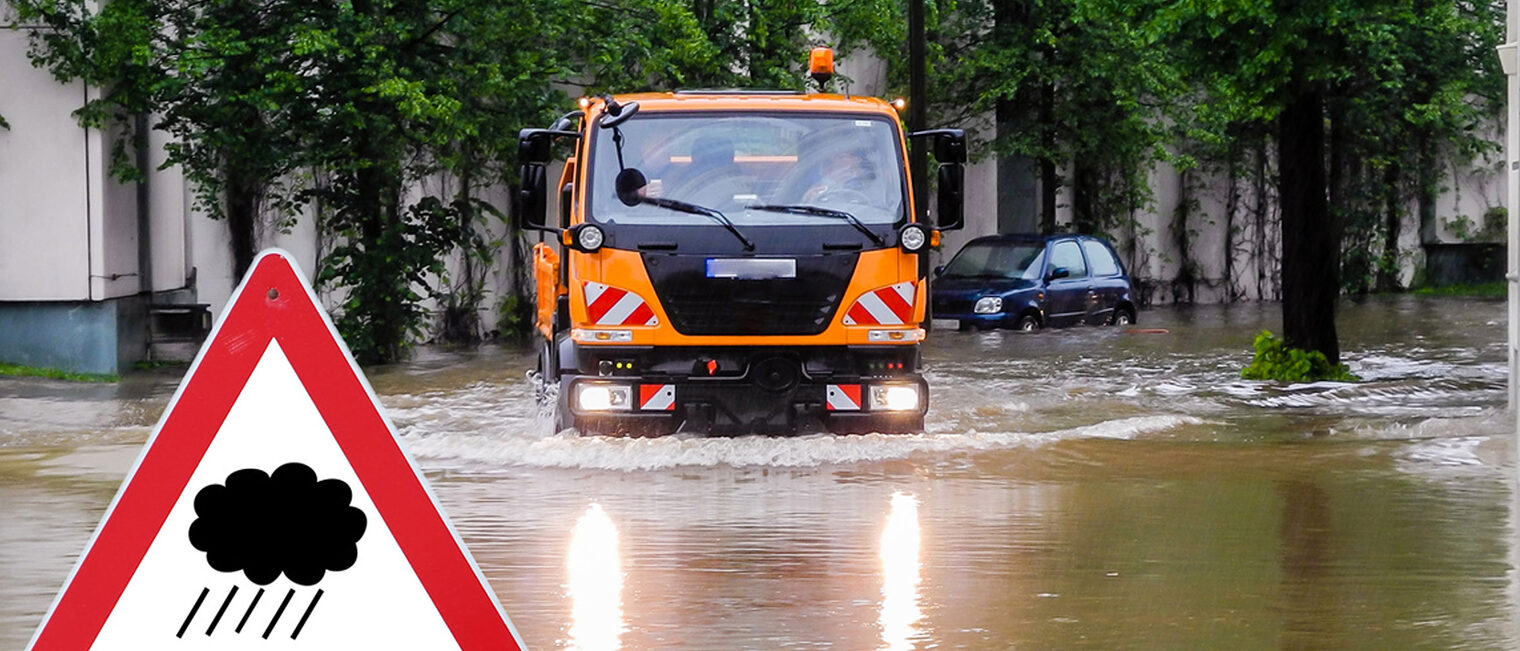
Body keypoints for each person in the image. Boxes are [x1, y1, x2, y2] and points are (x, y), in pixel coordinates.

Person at [802, 149, 872, 203]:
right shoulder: (811, 178)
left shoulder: (870, 178)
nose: (834, 160)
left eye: (841, 156)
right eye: (832, 157)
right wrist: (808, 197)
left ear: (857, 159)